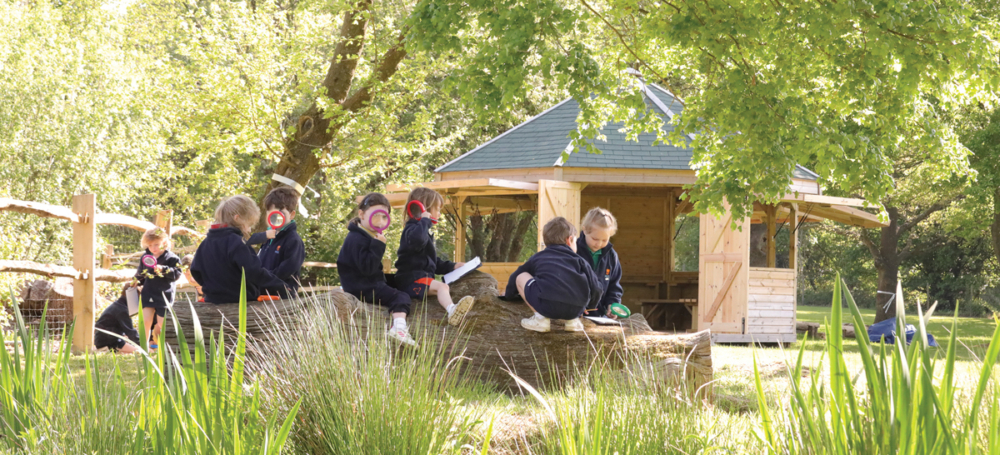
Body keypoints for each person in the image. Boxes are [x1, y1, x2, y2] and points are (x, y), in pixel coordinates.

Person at [337, 193, 419, 346]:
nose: (380, 223)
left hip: (365, 282)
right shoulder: (356, 239)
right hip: (362, 287)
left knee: (399, 282)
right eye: (376, 216)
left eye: (384, 217)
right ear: (361, 214)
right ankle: (399, 328)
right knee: (400, 297)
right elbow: (368, 268)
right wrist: (379, 245)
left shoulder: (364, 235)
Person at [505, 217, 604, 333]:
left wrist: (508, 296)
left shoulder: (538, 257)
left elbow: (515, 277)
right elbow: (597, 287)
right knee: (582, 281)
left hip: (547, 305)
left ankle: (540, 319)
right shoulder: (580, 260)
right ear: (569, 240)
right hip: (576, 308)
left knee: (521, 276)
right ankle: (573, 321)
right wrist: (589, 306)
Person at [394, 187, 475, 325]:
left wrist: (453, 266)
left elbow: (433, 263)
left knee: (443, 286)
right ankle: (452, 310)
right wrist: (424, 221)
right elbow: (417, 240)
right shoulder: (412, 230)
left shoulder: (424, 232)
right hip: (411, 280)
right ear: (423, 209)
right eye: (437, 209)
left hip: (422, 279)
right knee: (442, 287)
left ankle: (452, 307)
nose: (439, 213)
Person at [190, 195, 285, 304]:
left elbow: (195, 270)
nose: (249, 230)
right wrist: (281, 286)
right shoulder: (238, 243)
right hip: (241, 301)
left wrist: (212, 286)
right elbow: (254, 272)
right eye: (248, 224)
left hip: (213, 300)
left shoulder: (205, 243)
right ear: (237, 218)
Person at [248, 187, 306, 298]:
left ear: (292, 214)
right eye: (270, 213)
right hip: (262, 296)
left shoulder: (293, 241)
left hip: (281, 299)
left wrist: (261, 279)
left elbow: (285, 272)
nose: (274, 217)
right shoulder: (268, 238)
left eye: (279, 213)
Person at [134, 227, 182, 346]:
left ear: (164, 243)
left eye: (156, 244)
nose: (153, 248)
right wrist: (135, 280)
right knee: (145, 322)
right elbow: (141, 272)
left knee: (162, 324)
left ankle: (164, 348)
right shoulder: (146, 257)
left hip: (164, 295)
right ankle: (144, 348)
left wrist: (164, 269)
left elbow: (177, 274)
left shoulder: (172, 258)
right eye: (150, 245)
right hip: (148, 293)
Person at [577, 207, 624, 318]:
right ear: (584, 230)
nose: (598, 244)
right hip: (576, 314)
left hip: (600, 315)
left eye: (604, 240)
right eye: (595, 239)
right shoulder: (574, 251)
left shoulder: (612, 256)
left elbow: (614, 285)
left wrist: (612, 305)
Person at [94, 285, 140, 354]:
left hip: (104, 339)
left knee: (135, 349)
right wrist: (143, 346)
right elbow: (131, 332)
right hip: (110, 341)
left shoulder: (119, 305)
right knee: (139, 351)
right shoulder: (122, 310)